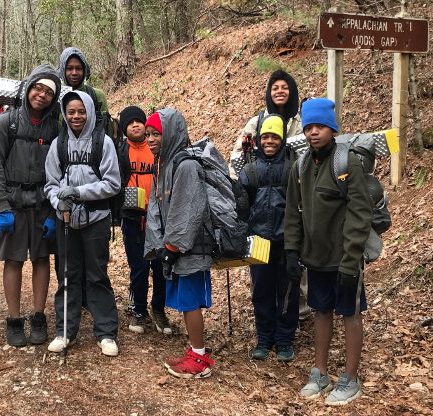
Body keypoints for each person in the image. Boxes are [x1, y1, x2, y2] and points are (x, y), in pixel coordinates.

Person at [284, 98, 372, 406]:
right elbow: (293, 213)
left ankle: (350, 378)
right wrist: (291, 250)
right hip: (315, 258)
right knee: (321, 311)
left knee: (350, 312)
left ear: (331, 129)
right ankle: (320, 372)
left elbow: (360, 214)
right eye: (308, 127)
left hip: (345, 258)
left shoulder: (348, 163)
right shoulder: (300, 166)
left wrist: (351, 260)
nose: (313, 132)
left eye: (319, 126)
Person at [0, 65, 62, 347]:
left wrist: (54, 210)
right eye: (37, 88)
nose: (41, 95)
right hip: (13, 203)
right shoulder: (7, 122)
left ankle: (39, 316)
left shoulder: (55, 127)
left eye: (48, 92)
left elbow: (61, 169)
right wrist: (1, 205)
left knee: (42, 258)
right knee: (14, 259)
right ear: (28, 88)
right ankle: (14, 319)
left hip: (43, 204)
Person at [44, 90, 121, 357]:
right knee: (67, 274)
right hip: (65, 219)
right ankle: (64, 331)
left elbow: (112, 183)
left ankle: (106, 333)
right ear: (64, 114)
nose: (76, 116)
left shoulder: (103, 142)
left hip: (96, 219)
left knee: (97, 275)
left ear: (89, 111)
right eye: (71, 112)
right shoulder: (59, 144)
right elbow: (50, 184)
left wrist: (79, 193)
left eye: (81, 111)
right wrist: (59, 202)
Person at [229, 69, 309, 321]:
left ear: (292, 91)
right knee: (263, 274)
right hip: (261, 204)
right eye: (275, 88)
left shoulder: (302, 121)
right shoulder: (257, 121)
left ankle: (295, 316)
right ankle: (267, 322)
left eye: (284, 87)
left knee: (293, 268)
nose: (280, 91)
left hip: (292, 194)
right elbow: (237, 158)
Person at [143, 109, 216, 379]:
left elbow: (187, 210)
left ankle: (200, 358)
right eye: (148, 134)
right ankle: (195, 351)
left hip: (191, 248)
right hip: (176, 247)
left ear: (171, 134)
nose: (150, 139)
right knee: (186, 301)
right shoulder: (163, 165)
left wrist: (172, 247)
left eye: (156, 134)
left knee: (190, 301)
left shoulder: (186, 166)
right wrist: (161, 245)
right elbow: (158, 208)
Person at [237, 114, 298, 362]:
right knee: (261, 290)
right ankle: (264, 338)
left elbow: (300, 205)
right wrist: (243, 234)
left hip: (286, 240)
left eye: (274, 137)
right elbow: (242, 206)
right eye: (265, 137)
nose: (269, 141)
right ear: (259, 139)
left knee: (287, 291)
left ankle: (284, 340)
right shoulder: (250, 169)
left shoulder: (293, 167)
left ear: (282, 139)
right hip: (259, 240)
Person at [117, 106, 172, 335]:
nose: (135, 125)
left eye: (139, 121)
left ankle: (158, 308)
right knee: (138, 267)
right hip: (133, 218)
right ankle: (138, 309)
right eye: (130, 123)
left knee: (160, 266)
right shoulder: (120, 151)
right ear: (124, 128)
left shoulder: (156, 148)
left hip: (158, 217)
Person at [57, 47, 113, 134]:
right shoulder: (55, 96)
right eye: (69, 68)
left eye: (78, 68)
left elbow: (106, 127)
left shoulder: (97, 95)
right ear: (63, 70)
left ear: (84, 70)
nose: (74, 73)